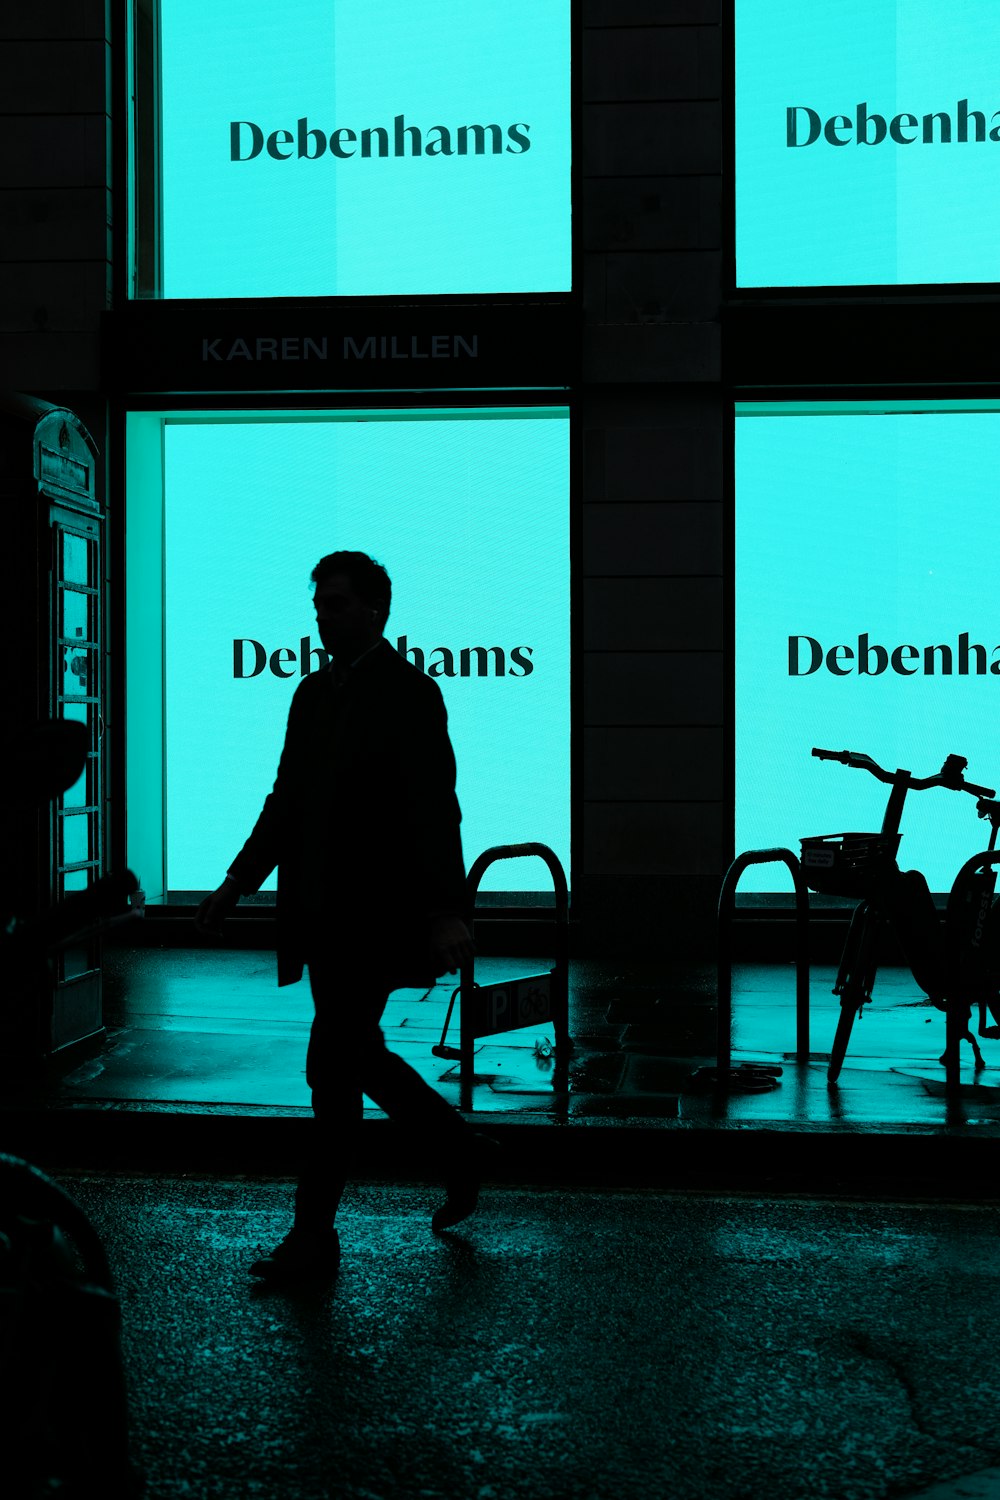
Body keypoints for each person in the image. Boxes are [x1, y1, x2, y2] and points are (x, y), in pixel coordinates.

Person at [194, 551, 497, 1284]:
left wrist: (444, 911)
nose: (321, 616)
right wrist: (237, 882)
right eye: (319, 604)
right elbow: (285, 803)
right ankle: (457, 1149)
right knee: (351, 1058)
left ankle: (312, 1240)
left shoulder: (410, 693)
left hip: (376, 916)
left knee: (332, 1070)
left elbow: (433, 809)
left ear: (375, 610)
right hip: (321, 916)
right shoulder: (311, 694)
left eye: (334, 604)